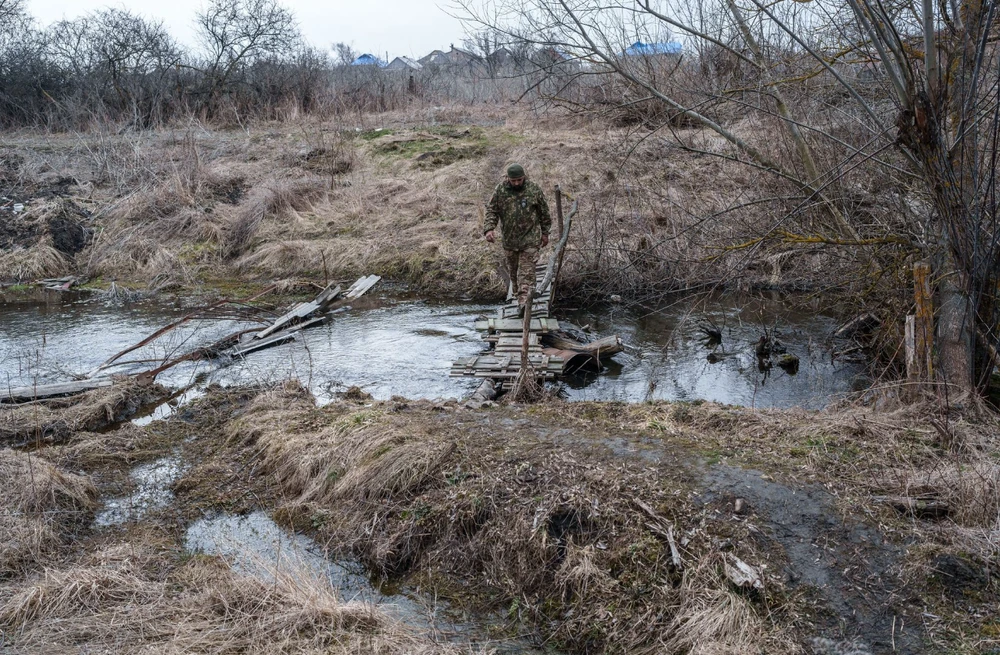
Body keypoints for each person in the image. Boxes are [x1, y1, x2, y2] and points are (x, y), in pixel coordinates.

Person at [483, 163, 552, 316]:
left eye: (519, 180)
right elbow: (492, 211)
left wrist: (545, 233)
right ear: (507, 178)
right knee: (514, 274)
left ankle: (524, 304)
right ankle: (518, 297)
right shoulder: (500, 190)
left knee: (526, 274)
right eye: (513, 180)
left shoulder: (534, 190)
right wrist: (489, 229)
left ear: (524, 177)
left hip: (530, 240)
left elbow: (544, 213)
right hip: (510, 242)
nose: (516, 183)